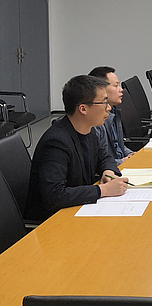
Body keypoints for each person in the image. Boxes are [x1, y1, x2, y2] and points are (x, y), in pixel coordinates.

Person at [25, 75, 128, 222]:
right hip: (53, 221)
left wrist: (108, 172)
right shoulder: (56, 142)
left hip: (78, 209)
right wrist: (103, 190)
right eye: (104, 102)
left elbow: (105, 157)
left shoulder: (89, 131)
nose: (109, 108)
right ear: (83, 109)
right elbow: (54, 196)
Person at [89, 66, 135, 165]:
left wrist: (131, 154)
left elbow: (118, 146)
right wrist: (122, 161)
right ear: (101, 89)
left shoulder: (113, 112)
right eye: (116, 86)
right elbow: (97, 162)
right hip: (112, 169)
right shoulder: (95, 122)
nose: (121, 89)